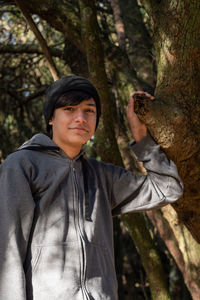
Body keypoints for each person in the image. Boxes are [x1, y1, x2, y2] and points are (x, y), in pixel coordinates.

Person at [0, 75, 183, 300]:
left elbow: (168, 188)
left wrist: (142, 139)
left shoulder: (102, 176)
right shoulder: (23, 164)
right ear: (51, 118)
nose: (81, 118)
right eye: (69, 109)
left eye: (89, 111)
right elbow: (9, 251)